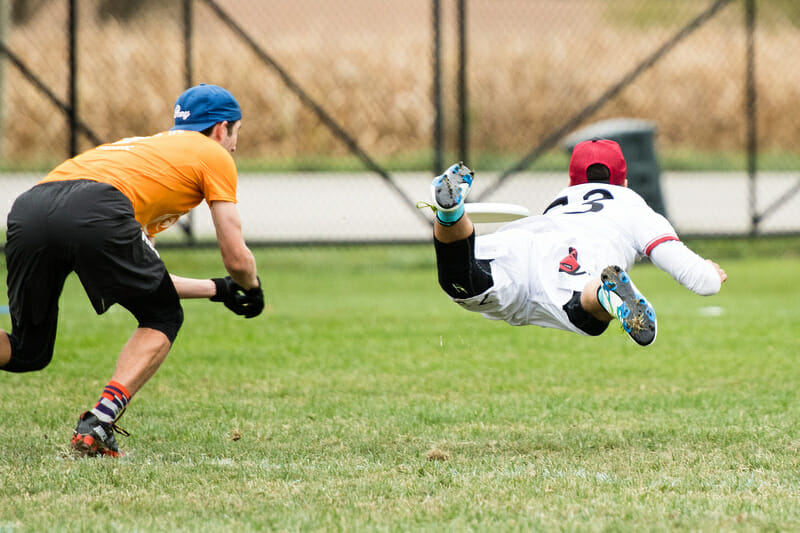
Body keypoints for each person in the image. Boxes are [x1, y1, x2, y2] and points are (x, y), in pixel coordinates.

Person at [1, 83, 265, 457]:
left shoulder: (147, 155)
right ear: (221, 129)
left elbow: (151, 280)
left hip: (31, 207)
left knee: (28, 349)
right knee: (163, 317)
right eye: (235, 133)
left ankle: (98, 422)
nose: (235, 145)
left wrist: (219, 289)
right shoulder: (212, 153)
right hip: (98, 207)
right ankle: (98, 422)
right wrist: (251, 287)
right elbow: (236, 258)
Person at [427, 139, 727, 346]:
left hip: (522, 241)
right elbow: (701, 281)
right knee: (587, 315)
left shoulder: (560, 200)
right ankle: (603, 293)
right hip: (573, 260)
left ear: (573, 182)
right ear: (624, 182)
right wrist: (711, 272)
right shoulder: (634, 207)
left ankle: (451, 213)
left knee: (462, 282)